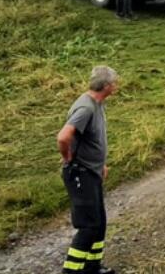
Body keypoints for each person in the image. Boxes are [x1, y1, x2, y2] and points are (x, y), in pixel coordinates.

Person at [56, 66, 120, 274]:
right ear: (107, 86)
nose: (116, 86)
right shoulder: (85, 108)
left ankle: (92, 267)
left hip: (91, 172)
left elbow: (90, 140)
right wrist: (68, 157)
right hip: (79, 174)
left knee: (99, 222)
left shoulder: (97, 103)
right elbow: (63, 137)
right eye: (115, 83)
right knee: (88, 226)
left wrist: (100, 164)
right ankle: (71, 270)